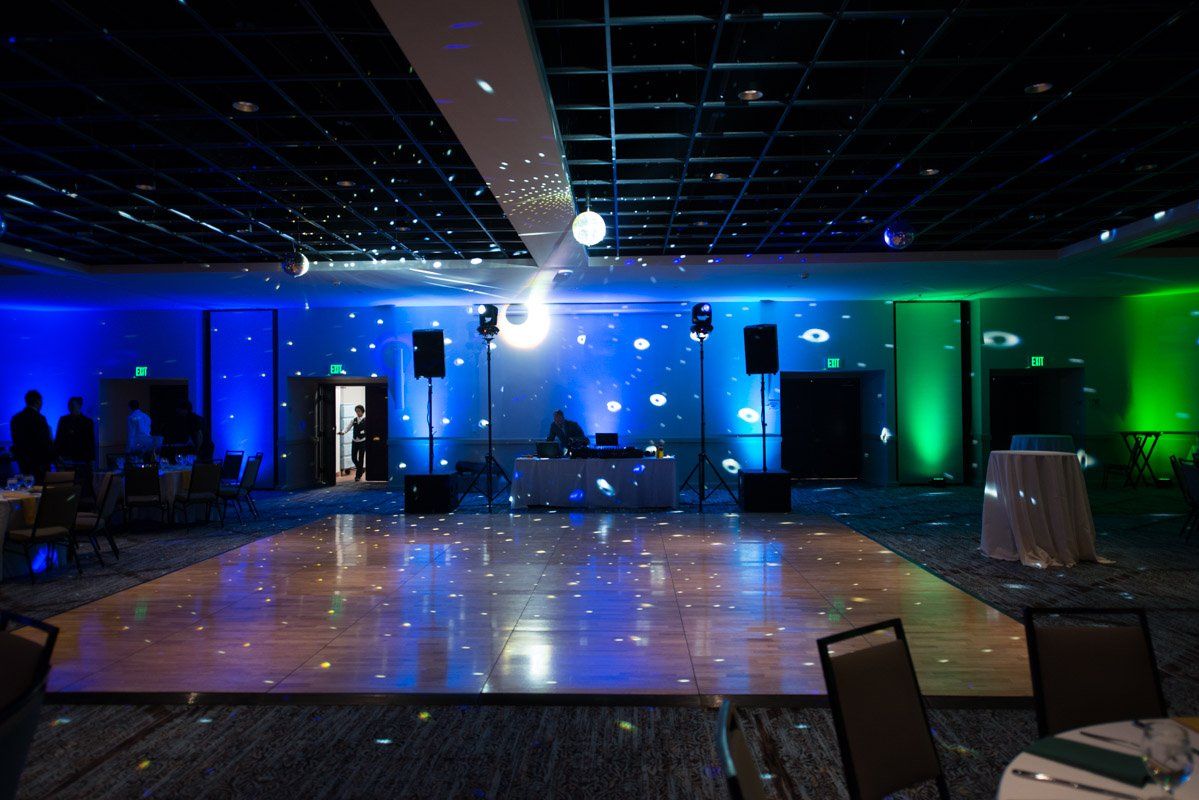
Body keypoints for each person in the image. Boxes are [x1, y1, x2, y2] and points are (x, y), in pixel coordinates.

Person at [10, 389, 52, 483]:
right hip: (39, 463)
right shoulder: (40, 418)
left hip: (23, 463)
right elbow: (45, 442)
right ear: (38, 402)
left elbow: (16, 441)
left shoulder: (16, 419)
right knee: (40, 490)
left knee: (28, 490)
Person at [55, 396, 96, 467]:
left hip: (75, 458)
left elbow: (90, 441)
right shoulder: (87, 422)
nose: (70, 407)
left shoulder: (64, 420)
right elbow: (59, 439)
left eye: (72, 405)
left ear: (79, 406)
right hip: (75, 458)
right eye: (70, 405)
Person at [338, 404, 367, 481]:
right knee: (353, 458)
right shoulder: (354, 420)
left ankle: (358, 476)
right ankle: (361, 469)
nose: (357, 413)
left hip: (363, 441)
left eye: (359, 411)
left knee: (361, 458)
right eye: (356, 411)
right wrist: (343, 432)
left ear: (362, 412)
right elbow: (348, 427)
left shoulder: (366, 420)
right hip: (355, 441)